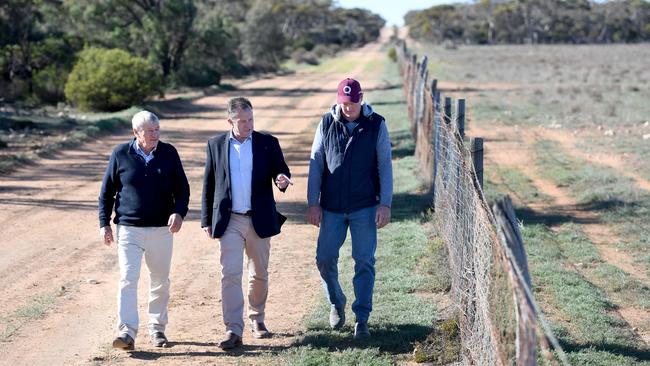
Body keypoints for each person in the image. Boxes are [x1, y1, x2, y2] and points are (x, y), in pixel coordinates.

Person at [201, 97, 291, 350]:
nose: (248, 125)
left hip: (259, 219)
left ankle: (257, 319)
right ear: (230, 121)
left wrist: (282, 179)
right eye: (242, 121)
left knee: (259, 274)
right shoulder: (216, 145)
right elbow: (209, 183)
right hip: (230, 220)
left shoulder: (267, 143)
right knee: (230, 274)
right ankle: (233, 328)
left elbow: (281, 171)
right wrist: (206, 219)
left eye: (251, 119)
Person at [307, 78, 393, 340]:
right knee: (324, 257)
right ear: (338, 100)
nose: (348, 108)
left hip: (364, 207)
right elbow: (316, 163)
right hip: (331, 207)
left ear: (361, 98)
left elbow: (385, 165)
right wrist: (313, 202)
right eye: (344, 104)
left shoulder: (376, 124)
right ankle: (336, 301)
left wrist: (385, 203)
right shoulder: (326, 123)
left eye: (353, 103)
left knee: (364, 261)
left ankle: (362, 318)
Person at [98, 110, 190, 351]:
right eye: (150, 131)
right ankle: (126, 331)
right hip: (129, 229)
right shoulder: (120, 154)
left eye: (157, 130)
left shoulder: (169, 153)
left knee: (160, 281)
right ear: (135, 132)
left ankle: (157, 328)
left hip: (161, 229)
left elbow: (182, 189)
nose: (155, 135)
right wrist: (104, 223)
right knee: (128, 280)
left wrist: (179, 212)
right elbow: (106, 192)